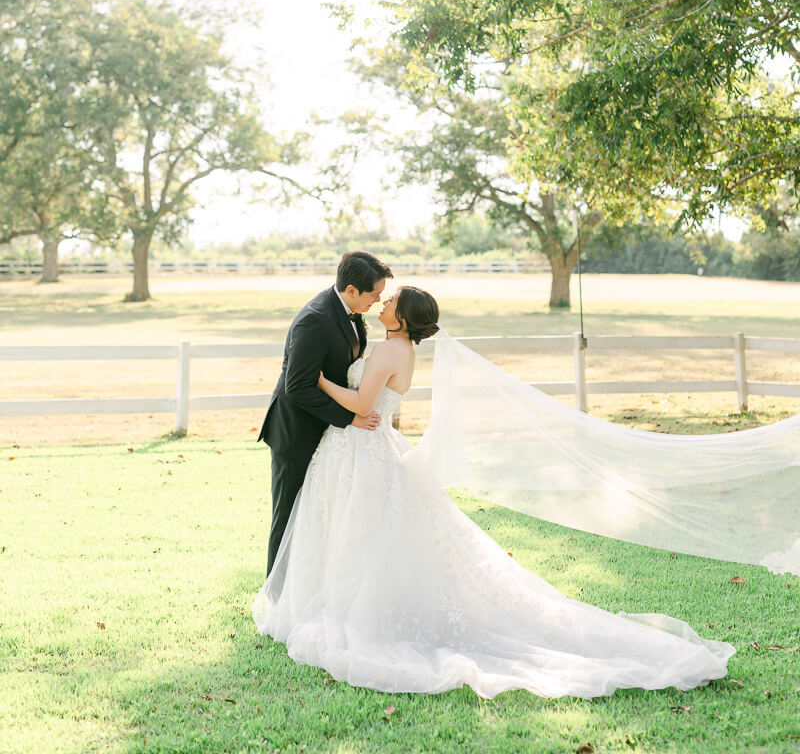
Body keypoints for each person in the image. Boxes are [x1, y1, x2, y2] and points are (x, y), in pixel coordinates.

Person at [252, 286, 734, 700]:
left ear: (403, 318)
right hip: (362, 449)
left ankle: (351, 611)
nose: (383, 302)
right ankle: (337, 599)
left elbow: (361, 403)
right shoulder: (400, 349)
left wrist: (317, 379)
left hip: (362, 444)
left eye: (391, 300)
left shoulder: (386, 352)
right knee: (359, 531)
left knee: (359, 532)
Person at [257, 250, 392, 574]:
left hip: (328, 433)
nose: (377, 300)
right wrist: (351, 418)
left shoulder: (350, 312)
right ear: (351, 290)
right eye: (374, 294)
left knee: (316, 517)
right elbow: (298, 386)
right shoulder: (315, 319)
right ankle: (275, 596)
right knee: (288, 517)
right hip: (296, 433)